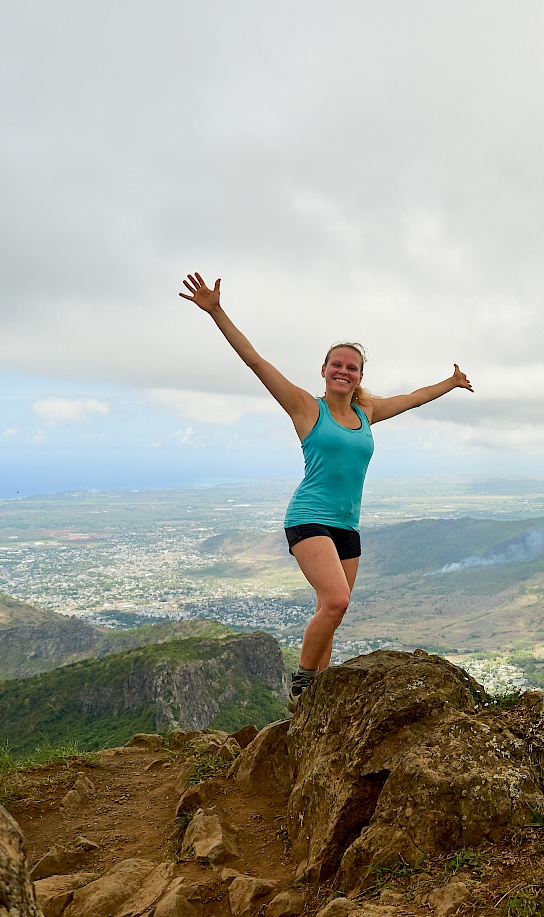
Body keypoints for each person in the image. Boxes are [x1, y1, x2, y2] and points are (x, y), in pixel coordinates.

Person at [179, 272, 473, 709]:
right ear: (323, 370)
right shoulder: (305, 407)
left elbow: (411, 398)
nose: (343, 370)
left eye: (351, 367)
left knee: (333, 613)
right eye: (336, 364)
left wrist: (449, 384)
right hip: (309, 518)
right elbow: (256, 362)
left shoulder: (367, 412)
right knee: (335, 602)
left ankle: (313, 701)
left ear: (358, 377)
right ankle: (301, 683)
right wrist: (217, 311)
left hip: (347, 527)